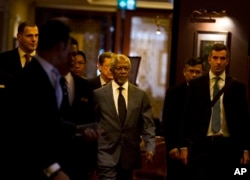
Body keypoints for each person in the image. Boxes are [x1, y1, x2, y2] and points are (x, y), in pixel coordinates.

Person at [3, 19, 101, 180]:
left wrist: (78, 130)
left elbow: (47, 120)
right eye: (69, 47)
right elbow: (24, 132)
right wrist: (53, 170)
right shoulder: (31, 79)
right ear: (61, 46)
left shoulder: (49, 74)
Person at [179, 43, 250, 179]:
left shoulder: (237, 87)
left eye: (222, 58)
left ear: (227, 61)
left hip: (228, 147)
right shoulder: (196, 85)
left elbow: (244, 120)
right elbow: (186, 116)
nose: (218, 62)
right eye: (215, 58)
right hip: (202, 146)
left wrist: (246, 149)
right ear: (209, 59)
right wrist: (183, 146)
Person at [94, 53, 156, 180]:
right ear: (111, 70)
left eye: (126, 68)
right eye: (119, 68)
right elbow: (93, 122)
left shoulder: (140, 95)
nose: (123, 72)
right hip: (106, 154)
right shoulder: (99, 95)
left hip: (129, 155)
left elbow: (148, 124)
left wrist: (150, 147)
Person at [162, 57, 204, 180]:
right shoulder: (173, 92)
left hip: (199, 148)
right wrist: (172, 146)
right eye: (191, 71)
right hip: (176, 146)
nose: (194, 75)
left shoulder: (206, 93)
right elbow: (167, 121)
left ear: (202, 73)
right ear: (184, 72)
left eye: (198, 72)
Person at [0, 21, 38, 102]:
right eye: (29, 36)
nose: (34, 39)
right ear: (19, 37)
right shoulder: (3, 59)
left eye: (36, 35)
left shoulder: (45, 61)